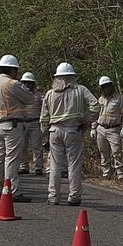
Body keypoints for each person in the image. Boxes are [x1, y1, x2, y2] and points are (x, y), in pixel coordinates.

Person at [41, 62, 91, 206]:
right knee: (74, 165)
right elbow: (95, 105)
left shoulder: (50, 94)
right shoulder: (80, 90)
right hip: (73, 130)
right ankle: (74, 196)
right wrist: (87, 121)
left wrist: (45, 133)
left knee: (55, 165)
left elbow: (43, 117)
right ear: (72, 77)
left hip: (54, 131)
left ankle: (53, 196)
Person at [0, 53, 34, 201]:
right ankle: (12, 191)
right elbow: (29, 98)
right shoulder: (12, 84)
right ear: (12, 70)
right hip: (12, 125)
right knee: (12, 159)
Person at [93, 76, 123, 180]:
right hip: (101, 128)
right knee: (103, 152)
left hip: (114, 129)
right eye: (104, 86)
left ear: (112, 86)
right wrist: (93, 127)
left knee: (117, 152)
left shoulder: (119, 98)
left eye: (108, 86)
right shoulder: (100, 99)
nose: (106, 88)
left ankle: (121, 174)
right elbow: (96, 114)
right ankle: (106, 172)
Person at [19, 71, 44, 176]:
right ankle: (24, 166)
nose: (27, 85)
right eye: (25, 82)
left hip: (35, 122)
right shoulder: (20, 95)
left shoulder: (39, 96)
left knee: (37, 146)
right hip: (23, 122)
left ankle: (38, 167)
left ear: (33, 84)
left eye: (29, 83)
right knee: (22, 146)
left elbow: (44, 109)